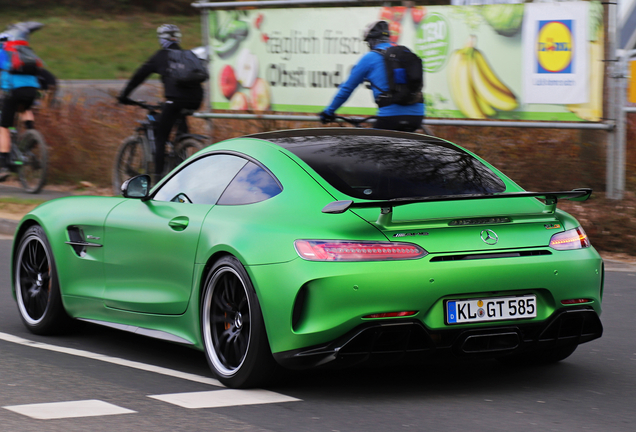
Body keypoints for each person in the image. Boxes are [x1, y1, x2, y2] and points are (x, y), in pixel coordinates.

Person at [118, 24, 204, 184]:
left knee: (161, 138)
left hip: (174, 101)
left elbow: (140, 75)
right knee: (179, 127)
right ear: (177, 37)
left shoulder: (161, 56)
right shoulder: (187, 54)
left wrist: (124, 95)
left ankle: (157, 183)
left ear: (161, 39)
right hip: (195, 101)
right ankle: (182, 154)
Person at [319, 20, 424, 132]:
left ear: (371, 41)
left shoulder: (370, 57)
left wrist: (328, 112)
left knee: (369, 147)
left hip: (391, 117)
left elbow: (347, 88)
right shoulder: (404, 52)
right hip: (417, 115)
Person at [0, 26, 41, 181]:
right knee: (24, 108)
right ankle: (32, 134)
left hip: (13, 91)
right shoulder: (24, 52)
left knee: (4, 127)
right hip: (32, 89)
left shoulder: (3, 53)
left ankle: (3, 165)